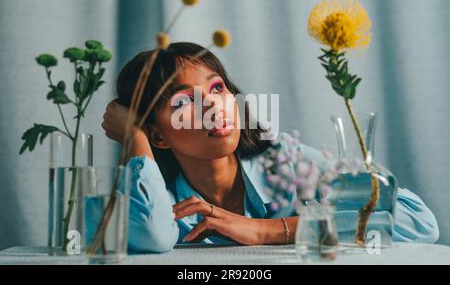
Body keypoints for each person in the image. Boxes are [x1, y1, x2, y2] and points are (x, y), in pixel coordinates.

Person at [102, 42, 439, 253]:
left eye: (217, 87)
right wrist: (135, 138)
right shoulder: (162, 200)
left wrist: (265, 230)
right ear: (159, 137)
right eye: (183, 102)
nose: (213, 106)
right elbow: (152, 236)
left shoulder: (285, 162)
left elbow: (418, 221)